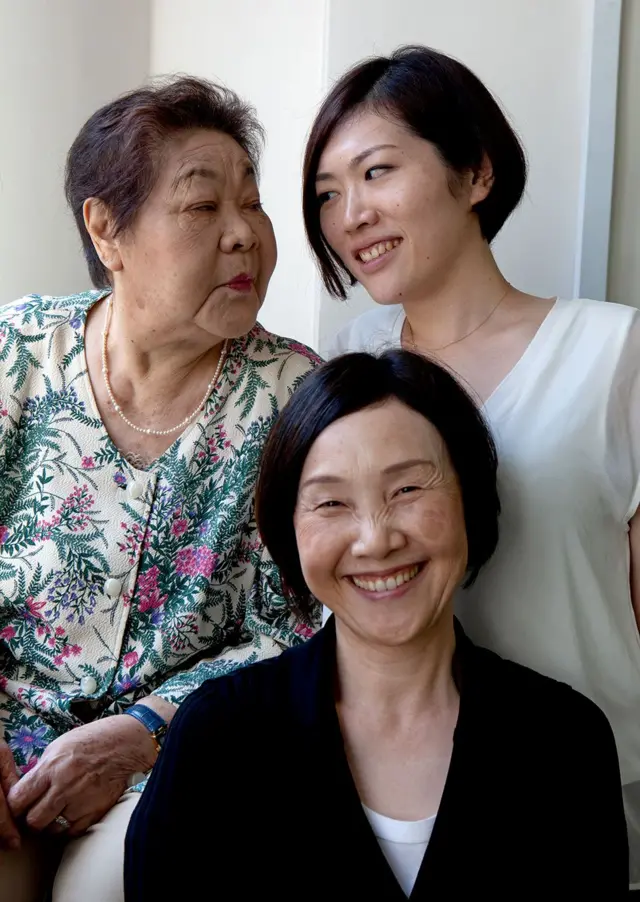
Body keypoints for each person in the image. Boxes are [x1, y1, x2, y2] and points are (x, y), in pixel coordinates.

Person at [301, 44, 640, 886]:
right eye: (329, 195)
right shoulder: (344, 368)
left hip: (582, 797)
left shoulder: (615, 352)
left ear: (477, 172)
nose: (351, 217)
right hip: (379, 805)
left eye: (377, 172)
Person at [125, 350, 628, 900]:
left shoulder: (564, 741)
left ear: (470, 500)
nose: (376, 539)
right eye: (332, 502)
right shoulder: (218, 737)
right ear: (287, 528)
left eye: (407, 490)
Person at [0, 75, 320, 902]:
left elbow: (297, 626)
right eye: (202, 207)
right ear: (107, 230)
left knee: (124, 880)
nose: (245, 235)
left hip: (168, 751)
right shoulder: (18, 353)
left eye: (252, 204)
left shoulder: (297, 396)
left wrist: (143, 731)